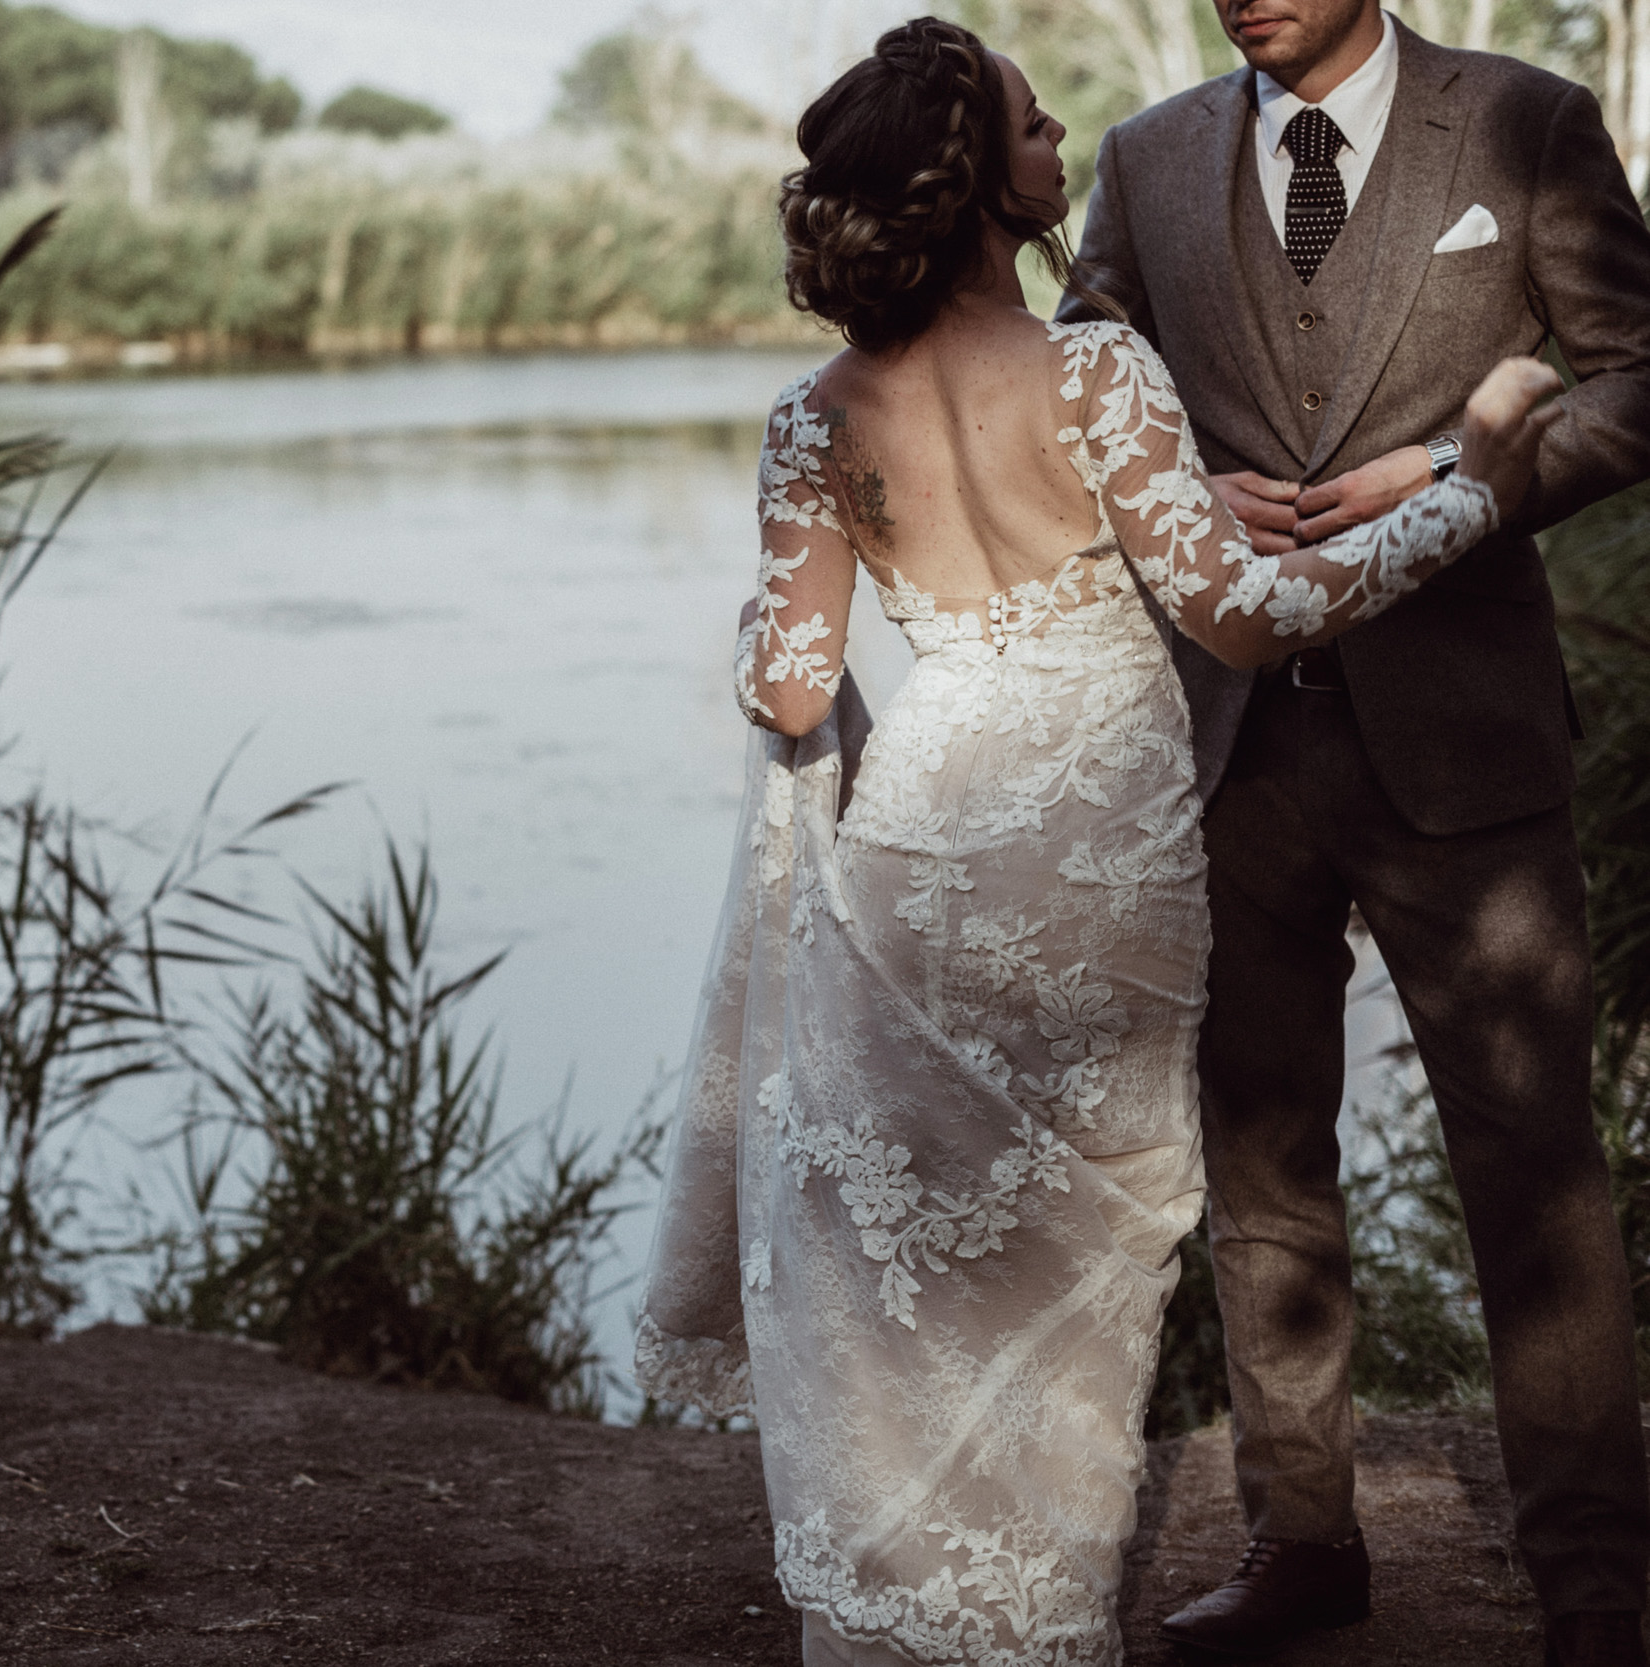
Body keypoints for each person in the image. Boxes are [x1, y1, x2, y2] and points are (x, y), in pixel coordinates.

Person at [632, 17, 1565, 1666]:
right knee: (1073, 1264)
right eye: (1037, 125)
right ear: (983, 187)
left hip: (918, 854)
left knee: (905, 1260)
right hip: (1096, 879)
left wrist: (816, 631)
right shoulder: (1096, 374)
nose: (1067, 140)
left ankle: (906, 1615)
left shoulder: (809, 415)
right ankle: (1038, 1622)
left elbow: (784, 690)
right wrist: (1469, 489)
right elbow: (1250, 615)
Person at [1059, 0, 1650, 1657]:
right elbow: (1074, 385)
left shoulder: (1527, 122)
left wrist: (1474, 476)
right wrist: (1164, 473)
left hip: (1466, 745)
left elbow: (1639, 373)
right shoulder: (1145, 155)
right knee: (1262, 1164)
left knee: (1535, 1172)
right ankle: (1301, 1546)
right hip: (1231, 743)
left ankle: (1596, 1590)